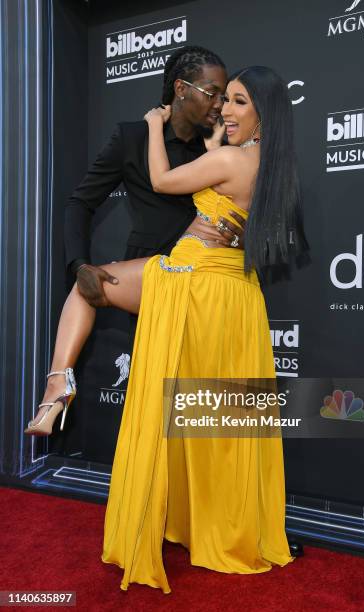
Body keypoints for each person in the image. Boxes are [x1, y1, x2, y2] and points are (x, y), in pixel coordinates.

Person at [99, 66, 308, 593]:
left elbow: (164, 181)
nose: (225, 111)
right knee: (219, 424)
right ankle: (220, 526)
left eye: (239, 102)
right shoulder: (270, 166)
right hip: (237, 298)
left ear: (262, 112)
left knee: (173, 409)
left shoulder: (231, 160)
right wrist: (225, 139)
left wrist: (152, 125)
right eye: (225, 101)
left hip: (194, 289)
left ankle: (59, 382)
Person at [24, 46, 245, 430]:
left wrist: (237, 230)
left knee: (194, 405)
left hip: (204, 276)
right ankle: (58, 386)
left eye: (225, 96)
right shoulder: (133, 138)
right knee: (154, 402)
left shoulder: (219, 147)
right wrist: (79, 265)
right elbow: (79, 203)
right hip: (148, 276)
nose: (220, 104)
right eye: (213, 93)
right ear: (180, 88)